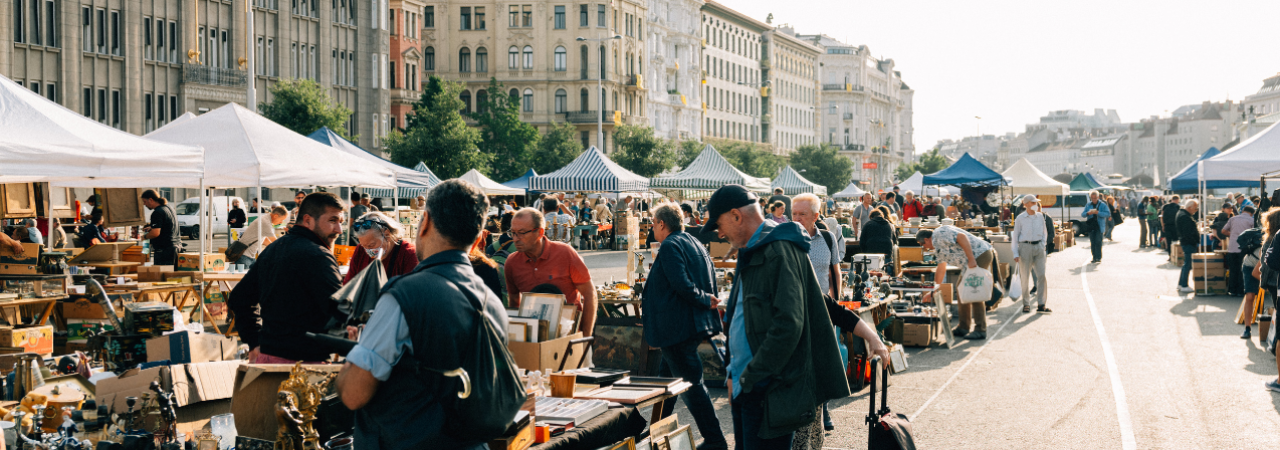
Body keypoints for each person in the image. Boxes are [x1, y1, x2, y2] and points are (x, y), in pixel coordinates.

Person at [335, 179, 505, 450]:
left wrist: (355, 355)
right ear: (478, 235)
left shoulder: (404, 294)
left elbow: (354, 393)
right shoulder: (490, 301)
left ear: (424, 222)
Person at [701, 185, 852, 450]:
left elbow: (788, 325)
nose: (720, 233)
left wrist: (749, 377)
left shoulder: (778, 250)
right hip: (749, 387)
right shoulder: (755, 248)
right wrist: (733, 373)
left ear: (736, 215)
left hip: (765, 392)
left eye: (720, 224)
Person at [643, 203, 729, 450]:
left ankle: (715, 439)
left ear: (661, 223)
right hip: (685, 325)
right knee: (667, 383)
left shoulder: (670, 245)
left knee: (692, 385)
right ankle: (654, 434)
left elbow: (681, 283)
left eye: (653, 223)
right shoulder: (694, 242)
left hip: (677, 327)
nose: (652, 228)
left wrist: (703, 299)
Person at [229, 192, 346, 364]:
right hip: (304, 368)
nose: (339, 229)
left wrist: (254, 341)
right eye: (332, 220)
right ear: (308, 220)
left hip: (268, 361)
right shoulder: (317, 255)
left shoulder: (273, 249)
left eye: (340, 222)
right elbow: (340, 311)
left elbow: (239, 298)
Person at [504, 208, 597, 335]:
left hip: (571, 337)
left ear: (540, 232)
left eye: (521, 233)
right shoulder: (512, 262)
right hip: (534, 339)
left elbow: (590, 294)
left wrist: (586, 336)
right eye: (513, 233)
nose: (515, 238)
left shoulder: (565, 253)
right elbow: (514, 302)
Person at [918, 225, 997, 340]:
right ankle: (964, 327)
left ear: (926, 239)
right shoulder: (938, 246)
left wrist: (971, 259)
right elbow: (941, 268)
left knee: (974, 291)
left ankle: (980, 329)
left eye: (923, 245)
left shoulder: (939, 234)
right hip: (973, 259)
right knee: (961, 289)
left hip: (979, 255)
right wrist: (934, 290)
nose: (925, 248)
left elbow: (961, 237)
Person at [344, 212, 419, 284]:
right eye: (364, 246)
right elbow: (349, 283)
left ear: (387, 235)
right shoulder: (360, 250)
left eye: (371, 245)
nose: (367, 250)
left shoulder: (409, 254)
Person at [1012, 195, 1051, 314]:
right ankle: (1026, 303)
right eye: (1033, 202)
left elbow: (1045, 232)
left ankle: (1041, 303)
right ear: (1026, 204)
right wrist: (1015, 252)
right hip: (1025, 247)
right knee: (1025, 277)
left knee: (1042, 276)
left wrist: (1042, 245)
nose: (1036, 204)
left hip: (1038, 247)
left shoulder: (1040, 216)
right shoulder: (1020, 218)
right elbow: (1015, 236)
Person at [140, 190, 182, 266]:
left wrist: (144, 237)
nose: (144, 204)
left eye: (145, 201)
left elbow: (155, 233)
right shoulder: (169, 208)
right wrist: (152, 227)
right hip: (176, 247)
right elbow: (167, 225)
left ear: (151, 200)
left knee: (163, 276)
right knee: (172, 276)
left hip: (164, 250)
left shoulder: (157, 212)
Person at [1224, 205, 1255, 297]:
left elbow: (1223, 231)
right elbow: (1254, 234)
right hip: (1244, 248)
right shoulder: (1251, 220)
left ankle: (1232, 290)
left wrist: (1233, 234)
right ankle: (1241, 291)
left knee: (1233, 269)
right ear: (1251, 213)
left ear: (1243, 211)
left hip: (1232, 247)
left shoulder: (1232, 219)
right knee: (1243, 270)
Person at [859, 210, 897, 275]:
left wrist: (865, 252)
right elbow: (895, 241)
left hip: (871, 253)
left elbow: (862, 241)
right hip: (886, 252)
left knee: (872, 275)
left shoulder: (868, 224)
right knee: (887, 275)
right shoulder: (889, 225)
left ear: (871, 217)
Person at [1175, 199, 1201, 293]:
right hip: (1188, 243)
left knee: (1187, 264)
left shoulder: (1183, 214)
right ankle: (1184, 285)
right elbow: (1188, 232)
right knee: (1188, 264)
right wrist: (1194, 240)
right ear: (1189, 208)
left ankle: (1181, 283)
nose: (1196, 210)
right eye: (1195, 208)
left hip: (1187, 242)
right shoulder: (1184, 216)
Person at [1081, 191, 1110, 264]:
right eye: (1092, 198)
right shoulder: (1088, 205)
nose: (1093, 199)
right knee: (1092, 242)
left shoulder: (1102, 205)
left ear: (1098, 197)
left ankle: (1098, 257)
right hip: (1091, 226)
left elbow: (1108, 214)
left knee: (1098, 241)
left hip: (1099, 226)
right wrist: (1088, 213)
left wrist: (1098, 213)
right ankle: (1094, 257)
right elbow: (1083, 214)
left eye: (1095, 198)